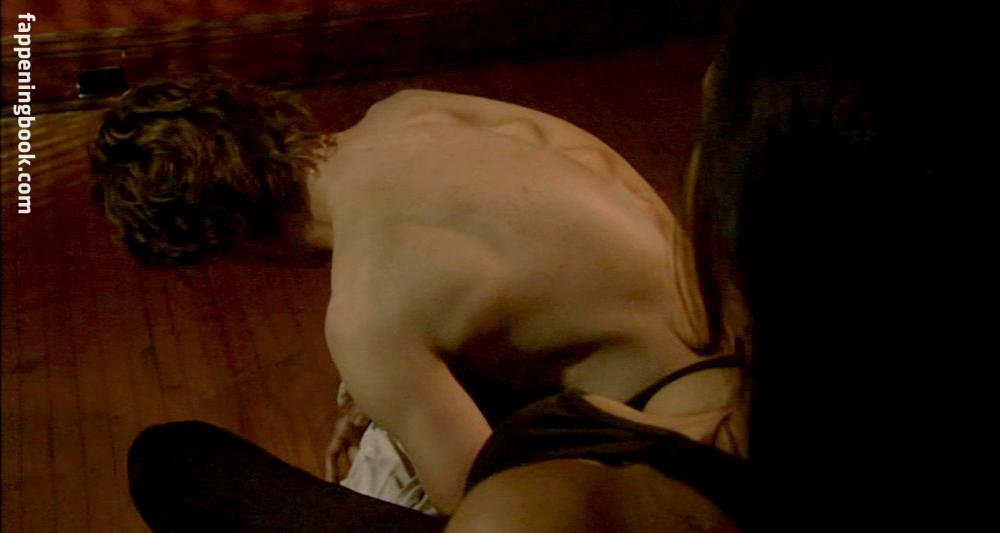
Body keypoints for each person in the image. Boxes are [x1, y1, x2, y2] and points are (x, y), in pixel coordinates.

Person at [95, 71, 746, 529]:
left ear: (230, 239)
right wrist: (387, 386)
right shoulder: (413, 109)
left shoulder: (367, 313)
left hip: (684, 463)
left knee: (169, 463)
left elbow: (481, 499)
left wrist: (388, 379)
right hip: (741, 368)